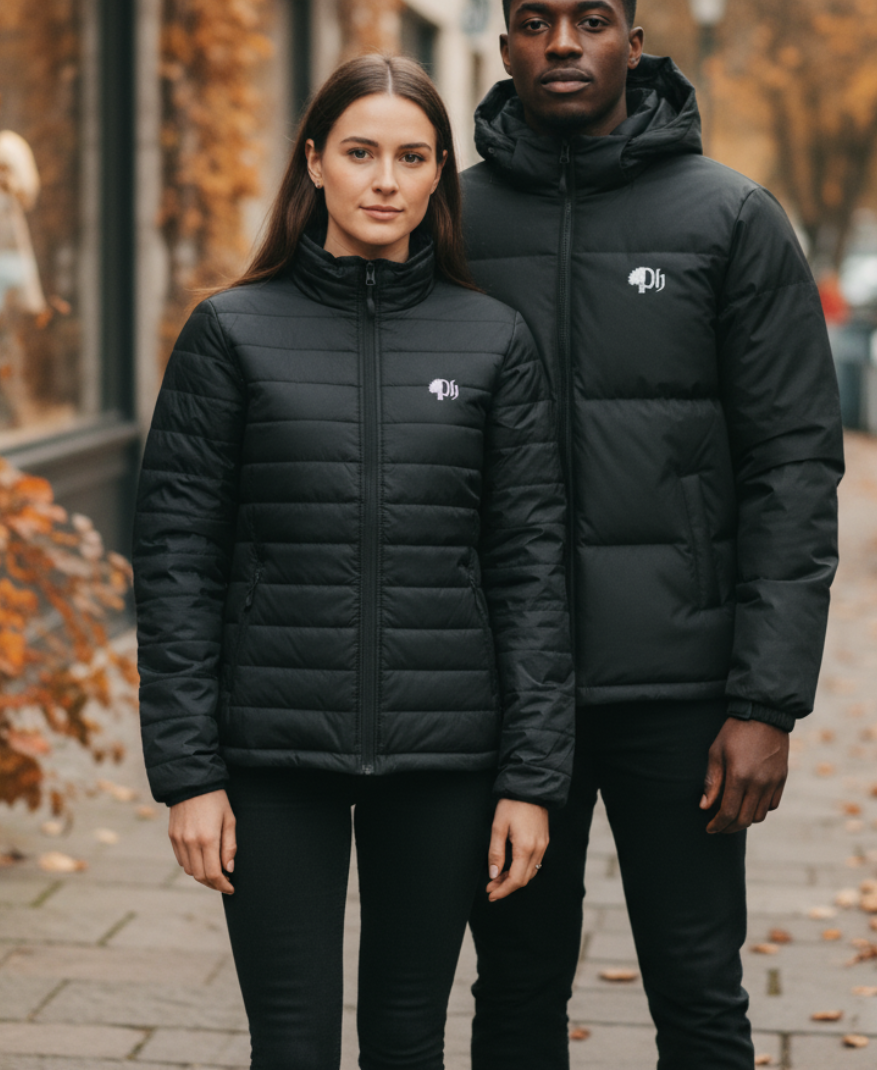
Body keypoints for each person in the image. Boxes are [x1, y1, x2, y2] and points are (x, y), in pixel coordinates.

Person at [133, 54, 574, 1070]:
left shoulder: (492, 342)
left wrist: (530, 778)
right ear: (314, 163)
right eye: (361, 152)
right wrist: (189, 774)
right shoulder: (229, 332)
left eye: (411, 156)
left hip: (445, 755)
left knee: (405, 1042)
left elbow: (527, 569)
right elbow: (176, 563)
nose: (385, 179)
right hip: (271, 755)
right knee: (289, 1046)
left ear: (437, 177)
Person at [461, 0, 844, 1069]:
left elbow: (792, 461)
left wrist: (766, 700)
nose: (562, 41)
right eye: (536, 22)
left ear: (633, 41)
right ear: (505, 45)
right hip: (507, 684)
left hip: (680, 692)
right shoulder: (453, 221)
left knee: (696, 980)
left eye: (587, 20)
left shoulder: (728, 217)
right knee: (515, 983)